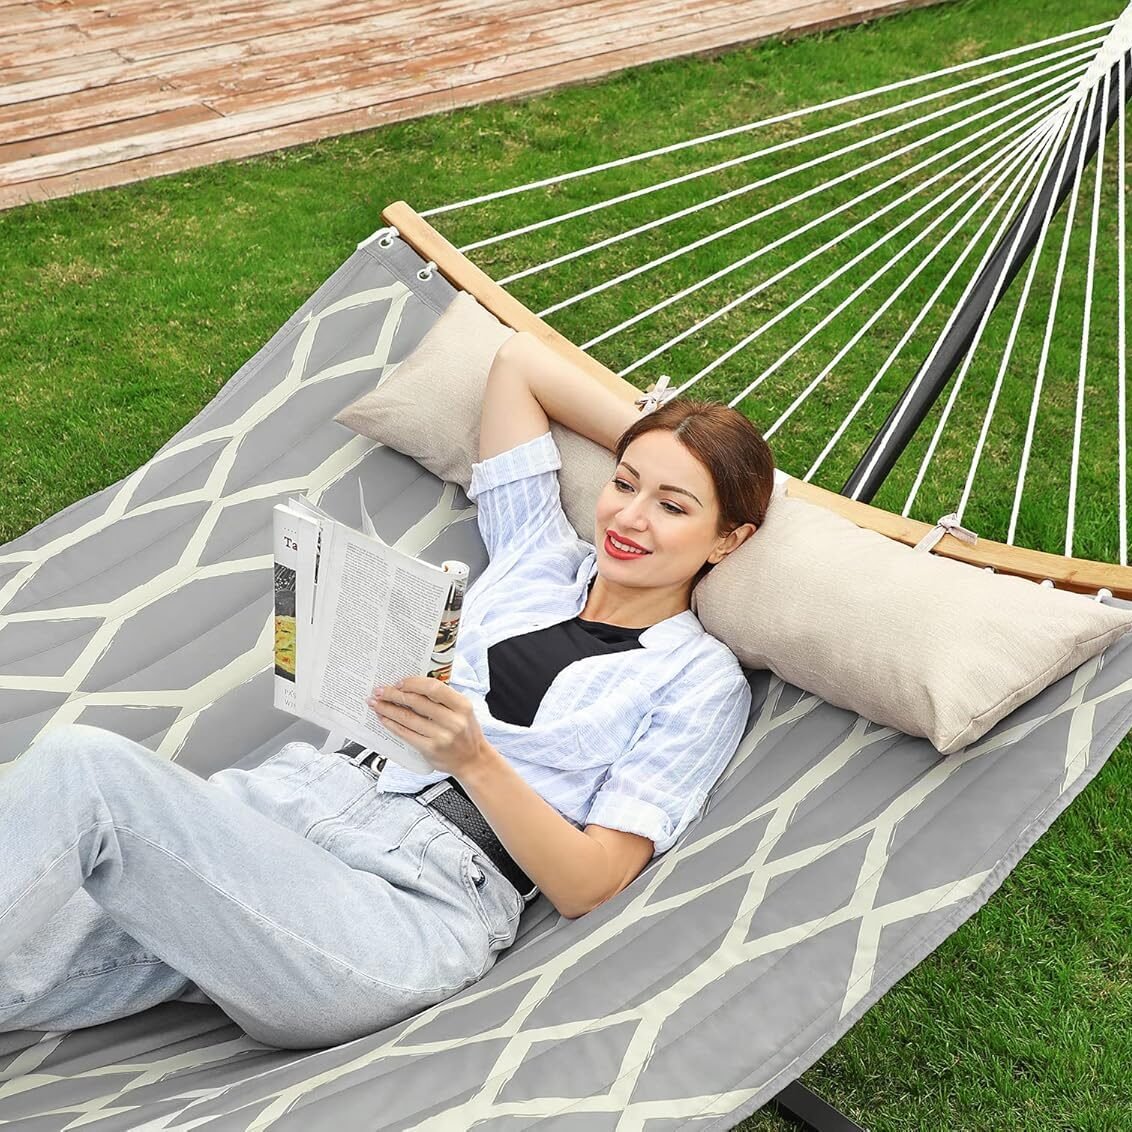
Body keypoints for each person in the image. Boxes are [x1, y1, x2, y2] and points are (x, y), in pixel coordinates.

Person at [0, 331, 775, 1050]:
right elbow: (519, 367)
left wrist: (474, 759)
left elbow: (592, 884)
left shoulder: (699, 680)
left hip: (405, 907)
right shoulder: (537, 555)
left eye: (674, 508)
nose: (629, 518)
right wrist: (674, 434)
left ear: (730, 539)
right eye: (625, 484)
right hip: (278, 821)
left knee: (87, 771)